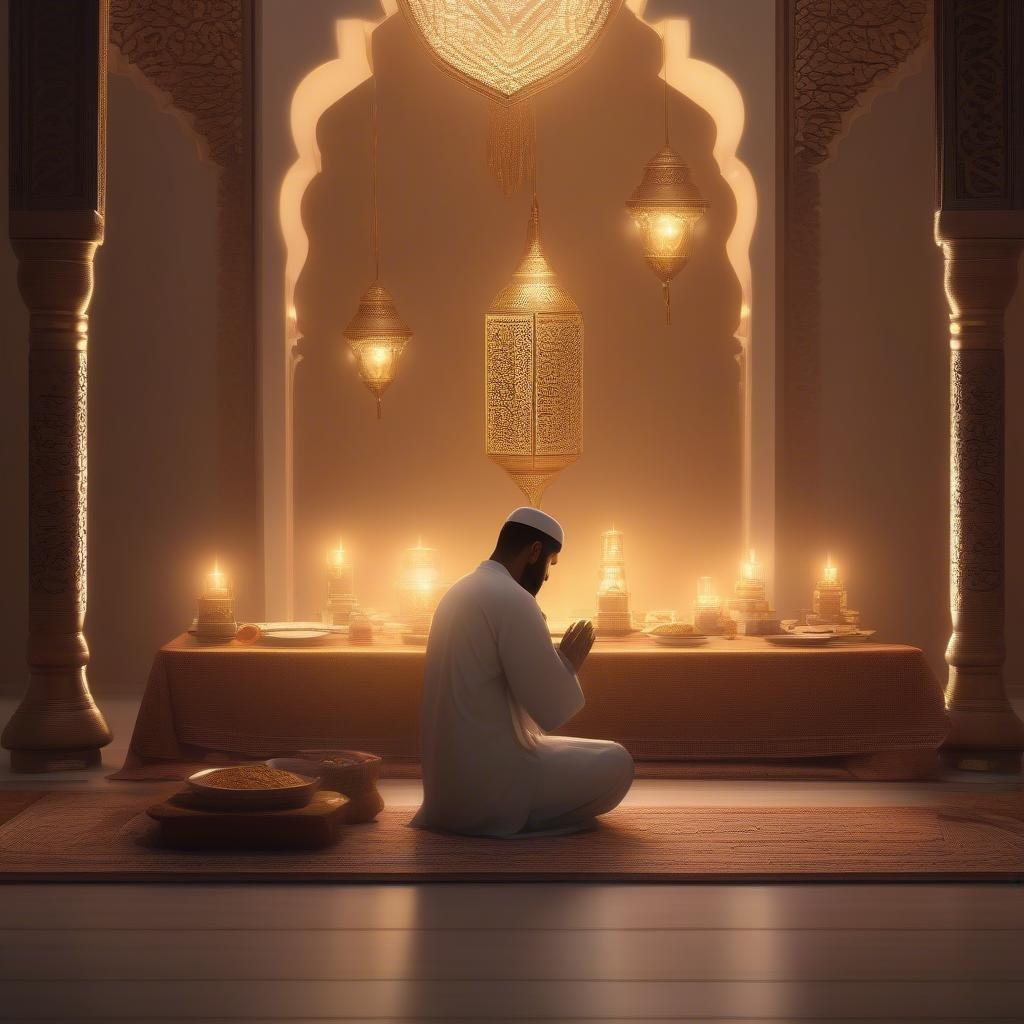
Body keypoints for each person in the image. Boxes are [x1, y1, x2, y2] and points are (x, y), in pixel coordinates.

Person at [411, 507, 634, 837]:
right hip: (492, 787)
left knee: (599, 752)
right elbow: (550, 711)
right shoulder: (514, 600)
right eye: (550, 563)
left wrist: (555, 663)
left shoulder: (458, 591)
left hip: (445, 792)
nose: (546, 577)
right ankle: (516, 818)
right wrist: (569, 663)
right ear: (534, 552)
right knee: (618, 762)